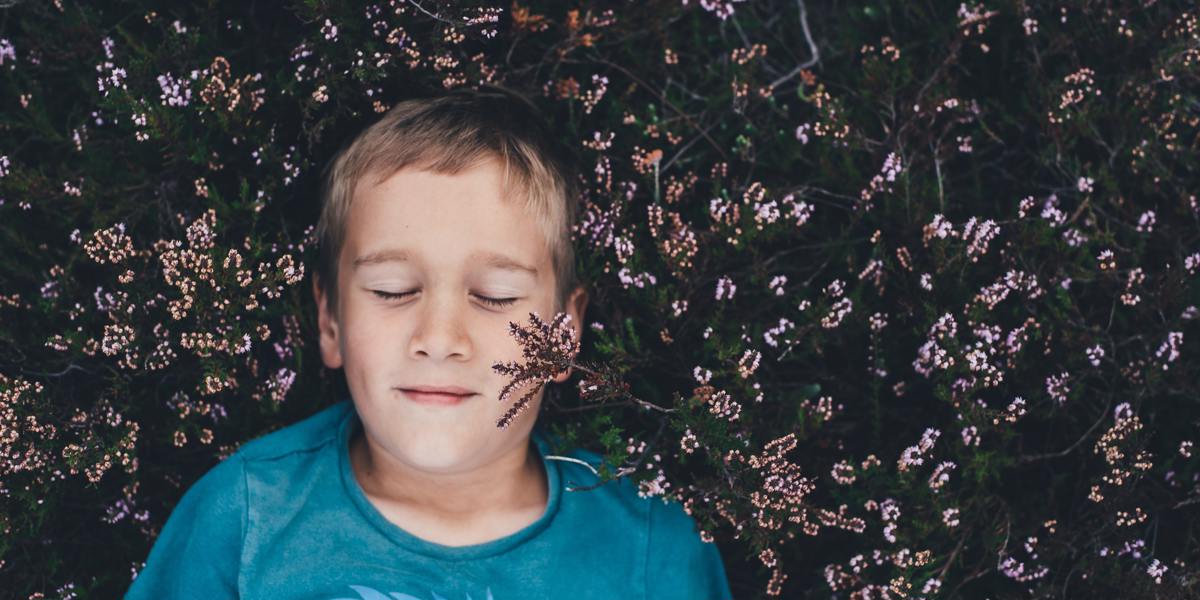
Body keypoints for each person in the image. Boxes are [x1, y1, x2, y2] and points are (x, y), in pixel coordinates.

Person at [125, 83, 734, 599]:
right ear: (331, 322)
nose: (440, 339)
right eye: (392, 290)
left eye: (495, 294)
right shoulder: (245, 517)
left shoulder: (653, 549)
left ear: (563, 332)